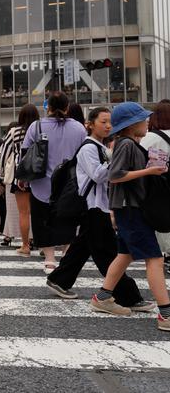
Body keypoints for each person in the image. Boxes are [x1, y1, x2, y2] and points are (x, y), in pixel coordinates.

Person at [45, 107, 152, 312]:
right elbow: (98, 175)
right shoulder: (88, 148)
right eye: (103, 121)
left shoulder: (101, 147)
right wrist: (119, 164)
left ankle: (59, 280)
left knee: (82, 247)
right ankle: (127, 296)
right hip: (91, 206)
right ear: (91, 124)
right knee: (108, 253)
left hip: (98, 206)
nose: (108, 126)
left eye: (110, 122)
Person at [89, 102, 170, 331]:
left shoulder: (129, 143)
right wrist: (149, 171)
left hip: (128, 208)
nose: (147, 122)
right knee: (154, 258)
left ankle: (103, 298)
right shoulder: (126, 144)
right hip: (131, 208)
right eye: (143, 119)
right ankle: (166, 314)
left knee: (125, 254)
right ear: (132, 124)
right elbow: (115, 176)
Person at [21, 92, 87, 274]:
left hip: (41, 182)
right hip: (70, 183)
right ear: (67, 107)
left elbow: (25, 153)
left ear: (47, 107)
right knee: (68, 218)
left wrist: (23, 179)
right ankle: (66, 253)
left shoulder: (36, 126)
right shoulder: (79, 128)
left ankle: (49, 260)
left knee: (43, 220)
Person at [0, 104, 39, 254]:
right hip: (39, 176)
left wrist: (2, 174)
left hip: (21, 175)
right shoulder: (41, 130)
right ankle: (41, 243)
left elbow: (4, 154)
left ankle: (25, 245)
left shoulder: (14, 132)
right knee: (39, 212)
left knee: (24, 212)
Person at [140, 99, 170, 259]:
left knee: (161, 219)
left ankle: (164, 253)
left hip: (158, 185)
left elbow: (137, 158)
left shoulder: (151, 137)